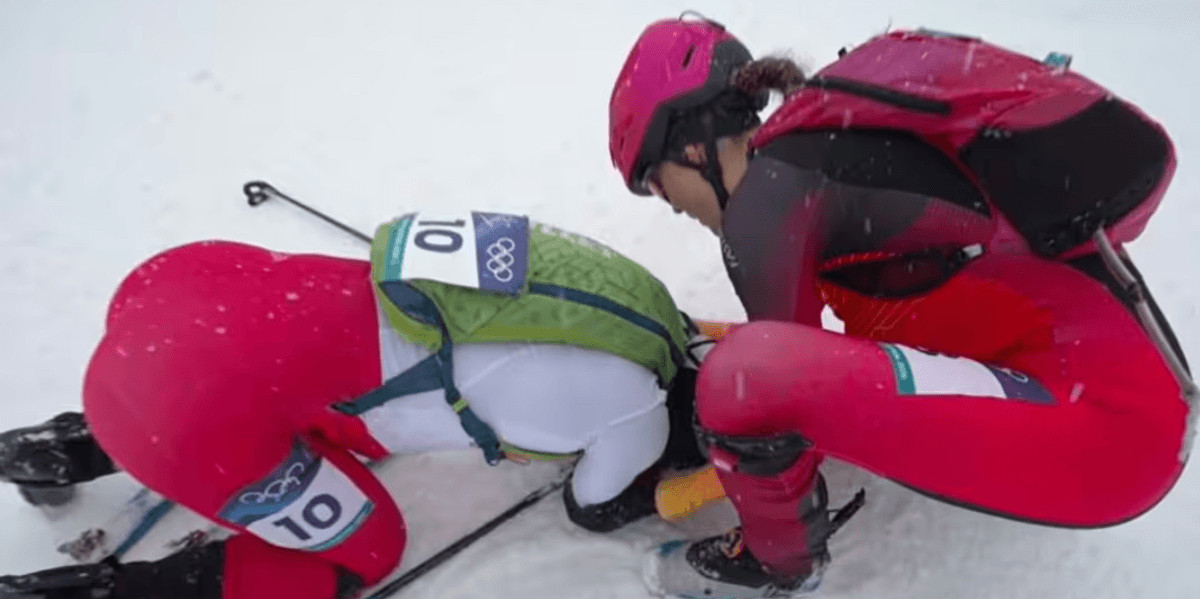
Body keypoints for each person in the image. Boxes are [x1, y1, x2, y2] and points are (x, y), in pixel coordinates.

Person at [609, 15, 1195, 599]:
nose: (670, 206)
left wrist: (677, 479)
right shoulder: (821, 148)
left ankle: (774, 567)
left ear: (690, 148)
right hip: (1132, 394)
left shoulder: (766, 207)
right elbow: (808, 349)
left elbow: (764, 391)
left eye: (655, 183)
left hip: (1103, 444)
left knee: (734, 380)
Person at [0, 211, 712, 599]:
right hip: (181, 408)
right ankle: (110, 589)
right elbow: (594, 505)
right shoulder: (636, 415)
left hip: (192, 287)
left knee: (271, 386)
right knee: (363, 552)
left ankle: (69, 446)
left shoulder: (643, 295)